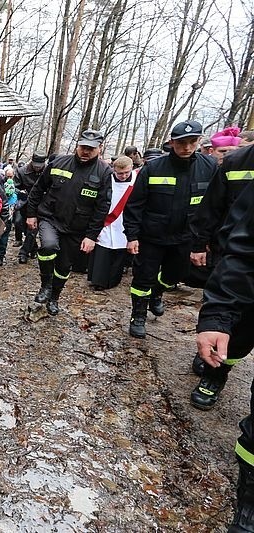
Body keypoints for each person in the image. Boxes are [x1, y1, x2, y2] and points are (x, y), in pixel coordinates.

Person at [193, 180, 254, 531]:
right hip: (248, 297)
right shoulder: (233, 167)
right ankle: (248, 503)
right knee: (231, 347)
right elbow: (242, 245)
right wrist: (217, 314)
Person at [123, 120, 218, 338]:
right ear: (172, 142)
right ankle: (138, 315)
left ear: (199, 141)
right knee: (142, 278)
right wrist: (132, 236)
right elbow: (135, 204)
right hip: (152, 236)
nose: (186, 147)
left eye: (192, 142)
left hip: (186, 237)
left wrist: (205, 239)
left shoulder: (209, 167)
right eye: (181, 142)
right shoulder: (153, 168)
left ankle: (157, 291)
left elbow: (213, 206)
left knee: (177, 273)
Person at [188, 141, 254, 409]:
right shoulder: (235, 162)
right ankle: (215, 373)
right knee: (235, 329)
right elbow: (211, 206)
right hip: (234, 258)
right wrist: (198, 243)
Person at [25, 129, 113, 315]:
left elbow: (102, 208)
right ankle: (45, 286)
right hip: (50, 217)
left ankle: (55, 297)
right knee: (48, 247)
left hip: (77, 227)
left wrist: (91, 236)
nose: (86, 151)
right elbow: (38, 189)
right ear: (77, 145)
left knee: (64, 266)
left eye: (91, 148)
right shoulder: (58, 163)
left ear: (100, 149)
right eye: (83, 147)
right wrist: (31, 214)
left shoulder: (104, 172)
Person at [87, 156, 136, 290]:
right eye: (120, 173)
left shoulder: (137, 180)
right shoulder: (107, 179)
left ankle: (113, 280)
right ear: (113, 170)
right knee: (102, 249)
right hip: (107, 219)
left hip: (125, 220)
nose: (124, 176)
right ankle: (98, 281)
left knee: (119, 251)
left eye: (127, 172)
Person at [14, 151, 47, 262]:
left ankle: (23, 253)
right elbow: (15, 187)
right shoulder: (22, 171)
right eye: (35, 164)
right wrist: (21, 192)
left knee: (32, 229)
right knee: (19, 223)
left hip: (40, 206)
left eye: (40, 165)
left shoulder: (48, 172)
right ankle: (34, 248)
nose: (37, 167)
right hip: (24, 204)